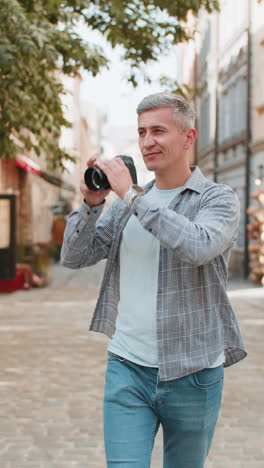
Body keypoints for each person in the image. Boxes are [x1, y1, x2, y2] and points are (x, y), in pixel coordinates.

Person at [61, 93, 247, 467]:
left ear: (189, 137)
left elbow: (197, 245)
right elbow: (75, 257)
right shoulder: (130, 205)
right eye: (142, 132)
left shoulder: (218, 199)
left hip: (193, 373)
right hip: (127, 367)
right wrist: (93, 204)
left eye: (158, 131)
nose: (147, 142)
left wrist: (129, 194)